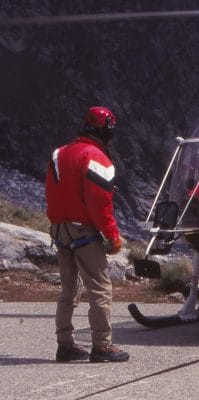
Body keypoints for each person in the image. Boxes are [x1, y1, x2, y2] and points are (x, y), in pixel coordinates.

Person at [45, 106, 130, 363]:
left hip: (60, 229)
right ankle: (102, 346)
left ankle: (65, 344)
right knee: (100, 289)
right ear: (108, 132)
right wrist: (113, 236)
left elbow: (51, 190)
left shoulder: (59, 154)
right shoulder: (97, 158)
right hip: (84, 231)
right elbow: (100, 204)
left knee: (68, 290)